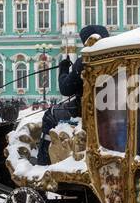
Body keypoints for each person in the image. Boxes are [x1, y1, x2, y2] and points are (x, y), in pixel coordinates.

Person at [40, 23, 108, 164]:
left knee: (50, 114)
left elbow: (66, 89)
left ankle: (44, 160)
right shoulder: (116, 56)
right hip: (111, 109)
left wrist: (63, 69)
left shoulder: (86, 58)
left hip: (84, 110)